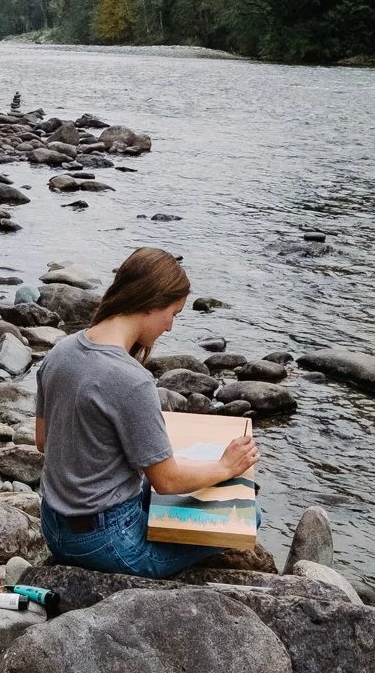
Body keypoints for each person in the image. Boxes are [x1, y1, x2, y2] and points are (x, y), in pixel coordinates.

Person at [35, 245, 257, 576]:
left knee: (170, 477)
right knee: (250, 514)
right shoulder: (131, 380)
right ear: (151, 304)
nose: (170, 327)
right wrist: (225, 466)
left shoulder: (60, 352)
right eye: (173, 314)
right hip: (107, 541)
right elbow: (166, 481)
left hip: (54, 526)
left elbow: (44, 442)